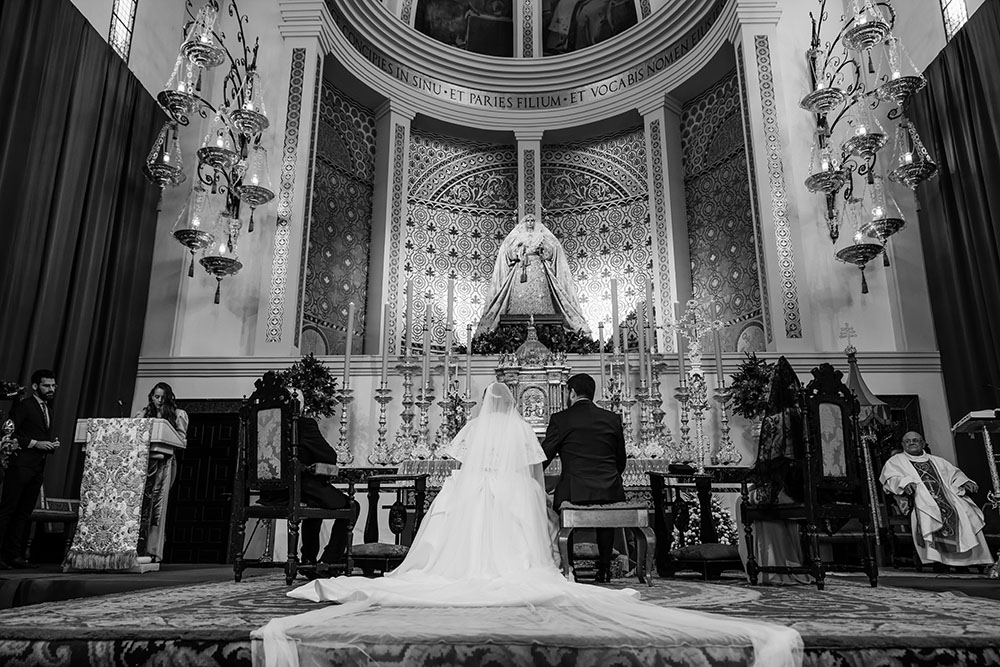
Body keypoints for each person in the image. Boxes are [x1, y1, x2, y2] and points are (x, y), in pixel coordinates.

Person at [255, 382, 801, 667]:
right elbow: (535, 467)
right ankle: (582, 568)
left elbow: (461, 462)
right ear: (515, 405)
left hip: (476, 489)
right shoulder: (536, 428)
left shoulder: (482, 430)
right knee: (524, 515)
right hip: (566, 489)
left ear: (482, 407)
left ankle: (451, 568)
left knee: (453, 525)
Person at [258, 377, 353, 576]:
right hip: (299, 489)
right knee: (352, 506)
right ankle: (329, 561)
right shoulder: (304, 424)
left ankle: (309, 559)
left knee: (316, 503)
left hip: (269, 493)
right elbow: (329, 456)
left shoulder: (261, 425)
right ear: (299, 406)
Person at [540, 372, 625, 582]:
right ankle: (604, 569)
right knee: (606, 515)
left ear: (571, 393)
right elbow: (620, 460)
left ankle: (570, 569)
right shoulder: (612, 418)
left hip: (574, 490)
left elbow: (545, 456)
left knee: (561, 518)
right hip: (609, 489)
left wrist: (527, 474)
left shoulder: (561, 419)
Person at [880, 431, 994, 568]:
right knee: (930, 513)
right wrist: (904, 483)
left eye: (915, 440)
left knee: (965, 511)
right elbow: (891, 478)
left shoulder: (937, 461)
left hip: (948, 498)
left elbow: (954, 474)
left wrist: (964, 481)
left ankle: (970, 560)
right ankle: (939, 560)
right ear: (903, 445)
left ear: (923, 443)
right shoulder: (895, 461)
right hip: (920, 499)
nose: (911, 443)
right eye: (907, 441)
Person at [476, 214, 591, 336]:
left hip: (538, 268)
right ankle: (517, 314)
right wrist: (519, 251)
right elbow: (508, 251)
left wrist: (542, 250)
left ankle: (544, 316)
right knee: (520, 293)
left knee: (540, 291)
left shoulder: (542, 235)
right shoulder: (518, 236)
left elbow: (552, 250)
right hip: (522, 268)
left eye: (532, 221)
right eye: (527, 221)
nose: (530, 223)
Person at [0, 369, 59, 569]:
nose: (51, 389)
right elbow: (9, 434)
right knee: (8, 510)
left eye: (53, 386)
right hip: (19, 466)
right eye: (46, 385)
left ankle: (13, 555)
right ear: (35, 386)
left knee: (23, 513)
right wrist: (36, 443)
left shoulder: (48, 409)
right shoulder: (24, 406)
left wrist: (50, 445)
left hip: (36, 468)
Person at [134, 382, 188, 562]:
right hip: (142, 462)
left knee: (157, 505)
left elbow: (181, 440)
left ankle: (153, 549)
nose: (159, 400)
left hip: (164, 463)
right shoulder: (144, 414)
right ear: (151, 396)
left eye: (162, 397)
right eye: (156, 396)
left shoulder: (178, 415)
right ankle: (135, 547)